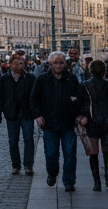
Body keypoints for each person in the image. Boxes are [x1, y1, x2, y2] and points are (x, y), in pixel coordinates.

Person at [32, 51, 80, 192]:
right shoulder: (42, 80)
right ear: (50, 64)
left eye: (61, 62)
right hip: (49, 123)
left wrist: (78, 115)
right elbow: (34, 99)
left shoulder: (71, 79)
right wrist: (38, 115)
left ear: (65, 64)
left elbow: (79, 99)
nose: (58, 65)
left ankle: (69, 181)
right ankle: (52, 173)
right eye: (55, 63)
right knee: (51, 153)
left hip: (68, 123)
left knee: (70, 153)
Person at [77, 59, 108, 191]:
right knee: (107, 150)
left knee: (93, 152)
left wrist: (82, 117)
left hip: (92, 121)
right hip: (107, 121)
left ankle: (97, 183)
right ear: (104, 71)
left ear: (90, 71)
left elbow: (81, 104)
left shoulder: (84, 85)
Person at [0, 52, 36, 176]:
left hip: (27, 113)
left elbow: (36, 96)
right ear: (10, 64)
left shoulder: (30, 78)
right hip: (11, 114)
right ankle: (16, 166)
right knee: (13, 141)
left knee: (28, 139)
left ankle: (28, 166)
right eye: (16, 63)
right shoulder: (4, 79)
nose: (19, 66)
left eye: (21, 63)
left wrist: (38, 113)